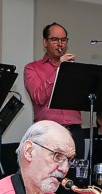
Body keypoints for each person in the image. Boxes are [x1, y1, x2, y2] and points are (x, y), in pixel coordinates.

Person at [23, 22, 85, 157]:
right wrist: (59, 70)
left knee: (77, 176)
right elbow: (38, 97)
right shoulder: (32, 68)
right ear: (45, 42)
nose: (60, 44)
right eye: (55, 40)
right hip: (48, 132)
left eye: (63, 40)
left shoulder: (73, 68)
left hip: (75, 130)